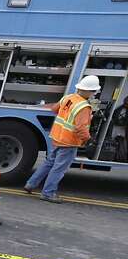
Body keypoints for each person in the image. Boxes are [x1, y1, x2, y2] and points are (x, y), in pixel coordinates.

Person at [25, 74, 100, 203]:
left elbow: (55, 109)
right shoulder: (84, 107)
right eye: (93, 91)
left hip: (57, 137)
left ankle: (31, 184)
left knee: (49, 163)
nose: (93, 94)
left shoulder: (68, 98)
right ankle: (48, 193)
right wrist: (88, 140)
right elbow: (80, 128)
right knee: (59, 168)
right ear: (90, 91)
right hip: (69, 142)